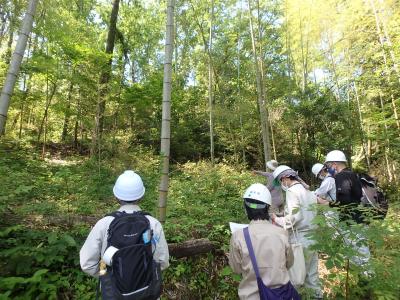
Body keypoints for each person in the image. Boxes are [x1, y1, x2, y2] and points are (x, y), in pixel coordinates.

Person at [80, 170, 169, 278]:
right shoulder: (153, 223)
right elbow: (163, 261)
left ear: (116, 196)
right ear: (141, 196)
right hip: (148, 291)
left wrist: (106, 277)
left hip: (113, 293)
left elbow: (87, 264)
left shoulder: (104, 224)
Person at [229, 183, 296, 300]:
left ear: (246, 208)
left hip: (251, 296)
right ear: (268, 208)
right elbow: (289, 263)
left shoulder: (238, 236)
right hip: (281, 295)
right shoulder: (281, 233)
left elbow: (236, 269)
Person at [271, 165, 322, 299]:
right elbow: (304, 211)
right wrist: (284, 214)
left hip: (300, 238)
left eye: (281, 181)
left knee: (295, 276)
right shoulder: (307, 190)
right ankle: (317, 297)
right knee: (312, 275)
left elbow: (295, 217)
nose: (282, 184)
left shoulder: (292, 191)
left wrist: (277, 219)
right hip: (313, 236)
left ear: (286, 178)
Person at [324, 150, 370, 267]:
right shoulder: (353, 174)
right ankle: (363, 279)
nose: (328, 169)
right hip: (360, 218)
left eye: (328, 165)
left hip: (353, 221)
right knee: (361, 250)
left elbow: (345, 202)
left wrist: (327, 203)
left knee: (359, 252)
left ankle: (366, 280)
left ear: (335, 164)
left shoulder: (341, 176)